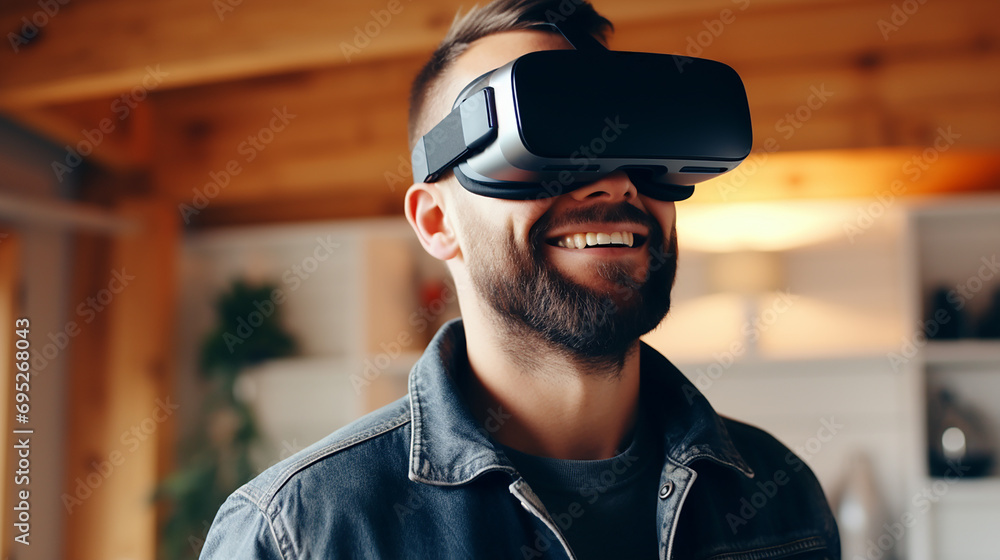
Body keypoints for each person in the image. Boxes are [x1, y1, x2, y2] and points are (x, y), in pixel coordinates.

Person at [200, 1, 840, 558]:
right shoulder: (301, 534)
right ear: (435, 221)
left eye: (634, 145)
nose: (614, 181)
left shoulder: (779, 495)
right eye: (550, 136)